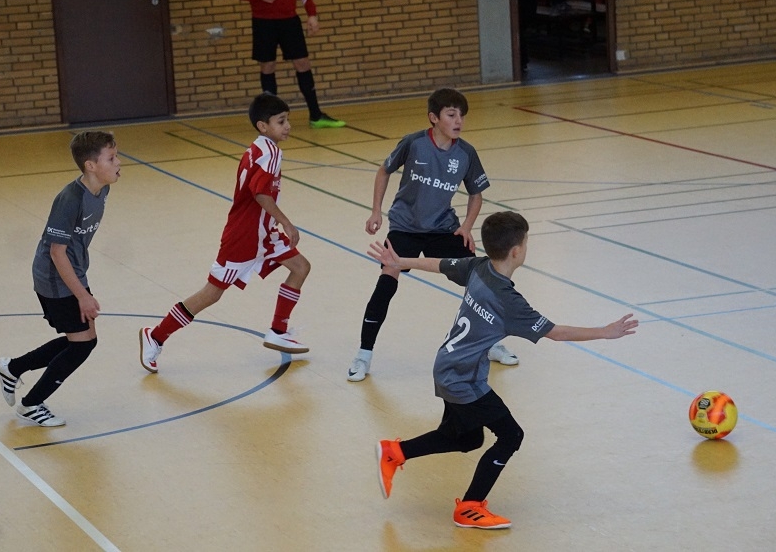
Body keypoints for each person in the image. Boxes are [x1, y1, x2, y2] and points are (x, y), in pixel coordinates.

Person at [371, 211, 638, 529]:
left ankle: (394, 451)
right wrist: (604, 332)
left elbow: (441, 264)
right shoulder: (508, 301)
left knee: (466, 439)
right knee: (511, 435)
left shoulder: (478, 267)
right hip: (463, 377)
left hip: (448, 365)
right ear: (516, 250)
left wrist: (401, 261)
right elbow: (556, 333)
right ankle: (469, 507)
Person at [348, 87, 519, 382]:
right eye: (451, 115)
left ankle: (490, 343)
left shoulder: (466, 153)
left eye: (461, 116)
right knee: (387, 281)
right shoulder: (413, 143)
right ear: (434, 118)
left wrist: (466, 227)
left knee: (482, 280)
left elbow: (476, 194)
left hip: (442, 228)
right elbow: (384, 171)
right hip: (405, 227)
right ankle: (363, 354)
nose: (458, 121)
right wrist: (376, 211)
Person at [138, 93, 311, 372]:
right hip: (244, 237)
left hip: (264, 233)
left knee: (300, 267)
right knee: (211, 294)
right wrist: (287, 223)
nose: (288, 126)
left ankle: (278, 331)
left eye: (287, 120)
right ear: (263, 126)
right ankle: (156, 336)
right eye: (281, 121)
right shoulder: (270, 153)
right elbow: (260, 194)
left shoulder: (259, 149)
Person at [0, 131, 121, 427]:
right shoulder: (70, 200)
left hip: (72, 271)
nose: (118, 163)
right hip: (54, 277)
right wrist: (82, 295)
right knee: (82, 344)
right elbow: (56, 251)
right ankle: (30, 404)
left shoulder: (102, 189)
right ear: (91, 166)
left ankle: (12, 368)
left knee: (83, 340)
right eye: (111, 158)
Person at [232, 0, 345, 129]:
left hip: (289, 20)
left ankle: (316, 115)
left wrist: (311, 14)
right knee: (267, 65)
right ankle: (271, 119)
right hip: (262, 22)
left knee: (302, 63)